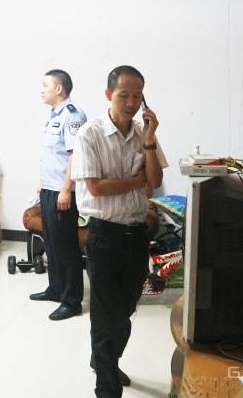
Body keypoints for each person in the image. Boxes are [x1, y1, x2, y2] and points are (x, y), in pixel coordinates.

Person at [71, 65, 168, 397]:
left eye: (137, 97)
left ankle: (105, 361)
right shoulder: (89, 134)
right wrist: (137, 181)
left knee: (125, 310)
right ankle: (107, 386)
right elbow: (97, 187)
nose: (130, 103)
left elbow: (154, 182)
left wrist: (149, 143)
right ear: (108, 94)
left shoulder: (144, 133)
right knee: (105, 314)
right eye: (123, 95)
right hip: (104, 235)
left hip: (137, 235)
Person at [30, 69, 87, 321]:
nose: (41, 89)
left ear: (59, 89)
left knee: (66, 247)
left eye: (45, 85)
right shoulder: (54, 115)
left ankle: (72, 301)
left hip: (63, 192)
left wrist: (66, 188)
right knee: (51, 243)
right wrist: (45, 184)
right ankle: (55, 289)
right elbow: (55, 155)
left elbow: (75, 155)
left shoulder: (73, 116)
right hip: (49, 189)